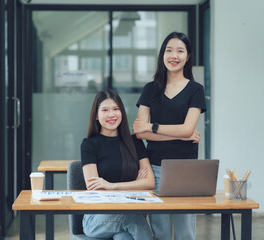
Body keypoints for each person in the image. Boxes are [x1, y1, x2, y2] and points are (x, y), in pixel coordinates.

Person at [133, 32, 206, 240]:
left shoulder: (195, 90)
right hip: (155, 169)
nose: (174, 55)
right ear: (162, 55)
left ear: (188, 56)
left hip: (186, 169)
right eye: (169, 50)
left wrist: (152, 127)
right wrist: (181, 135)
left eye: (180, 51)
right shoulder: (150, 89)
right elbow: (139, 132)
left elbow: (187, 128)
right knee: (161, 232)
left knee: (186, 233)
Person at [81, 89, 154, 240]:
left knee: (124, 237)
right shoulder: (89, 145)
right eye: (105, 110)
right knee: (132, 216)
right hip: (97, 218)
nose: (111, 114)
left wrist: (112, 186)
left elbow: (149, 182)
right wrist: (135, 184)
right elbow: (95, 188)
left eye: (116, 109)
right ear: (96, 115)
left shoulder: (135, 142)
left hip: (128, 213)